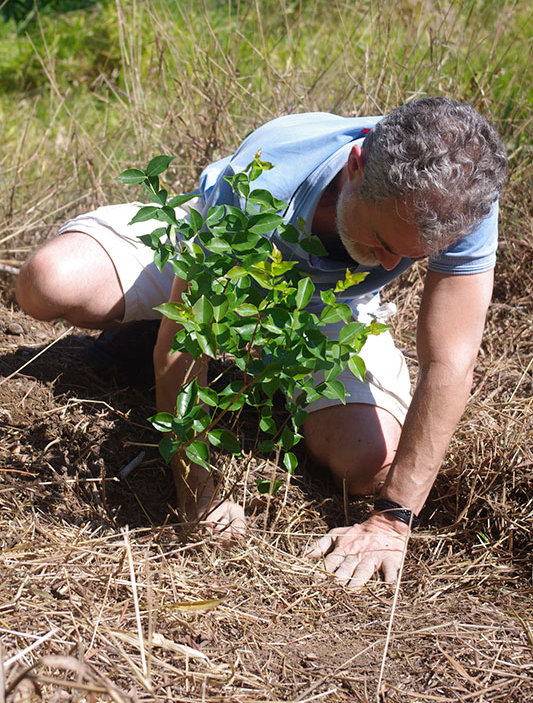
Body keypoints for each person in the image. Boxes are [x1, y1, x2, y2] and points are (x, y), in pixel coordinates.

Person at [16, 97, 507, 588]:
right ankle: (149, 329)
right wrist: (198, 494)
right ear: (357, 166)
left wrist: (391, 521)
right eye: (381, 240)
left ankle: (264, 372)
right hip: (224, 246)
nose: (383, 265)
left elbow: (450, 360)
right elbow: (187, 334)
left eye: (406, 257)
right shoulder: (269, 176)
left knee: (365, 467)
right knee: (48, 283)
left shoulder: (459, 198)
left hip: (328, 302)